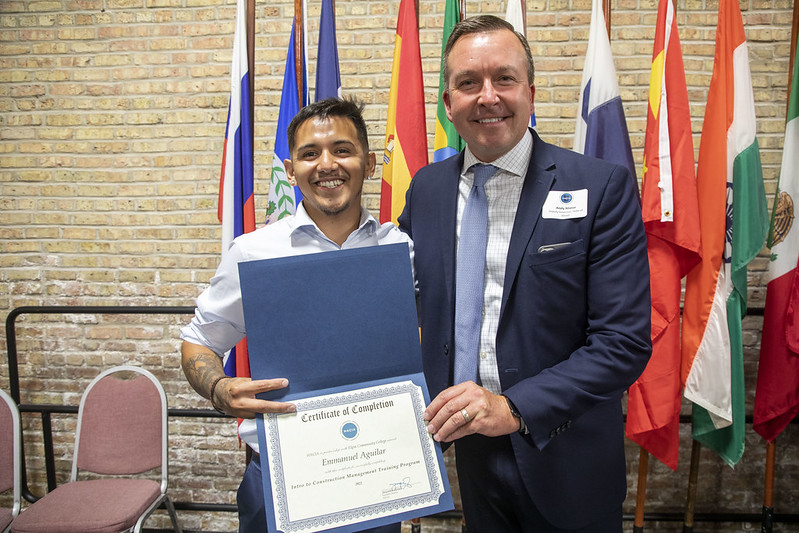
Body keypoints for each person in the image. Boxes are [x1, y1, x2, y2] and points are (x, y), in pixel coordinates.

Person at [397, 15, 651, 533]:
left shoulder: (600, 188)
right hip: (468, 454)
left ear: (530, 92)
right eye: (468, 82)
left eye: (504, 78)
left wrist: (513, 407)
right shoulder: (426, 191)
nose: (487, 96)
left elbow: (623, 342)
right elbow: (400, 300)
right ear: (448, 104)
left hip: (567, 454)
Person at [180, 97, 408, 533]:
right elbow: (200, 340)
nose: (327, 164)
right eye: (309, 154)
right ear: (290, 169)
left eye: (342, 149)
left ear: (371, 162)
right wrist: (218, 387)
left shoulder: (400, 250)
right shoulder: (253, 251)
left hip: (376, 471)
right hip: (279, 475)